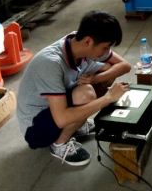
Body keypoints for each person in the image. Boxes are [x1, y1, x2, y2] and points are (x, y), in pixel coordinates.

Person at [17, 11, 132, 166]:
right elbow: (61, 119)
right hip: (36, 130)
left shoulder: (78, 41)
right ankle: (59, 145)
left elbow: (125, 66)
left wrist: (96, 78)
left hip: (55, 108)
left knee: (106, 71)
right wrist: (108, 98)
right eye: (105, 48)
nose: (106, 52)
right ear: (88, 41)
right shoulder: (50, 63)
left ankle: (78, 124)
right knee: (86, 94)